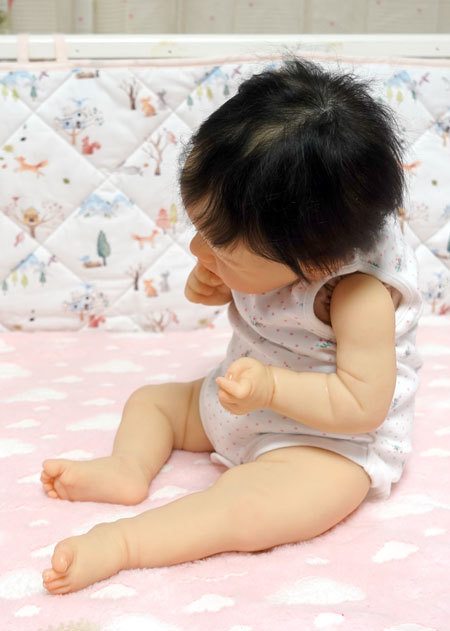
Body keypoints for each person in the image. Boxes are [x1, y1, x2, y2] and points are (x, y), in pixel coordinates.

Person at [40, 57, 422, 595]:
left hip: (323, 441)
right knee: (153, 402)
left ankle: (125, 543)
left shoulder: (358, 295)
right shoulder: (286, 246)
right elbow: (260, 285)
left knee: (248, 509)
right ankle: (127, 468)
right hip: (238, 399)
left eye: (220, 249)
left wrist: (271, 388)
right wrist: (218, 278)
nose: (198, 250)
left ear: (315, 264)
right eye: (200, 231)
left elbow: (362, 406)